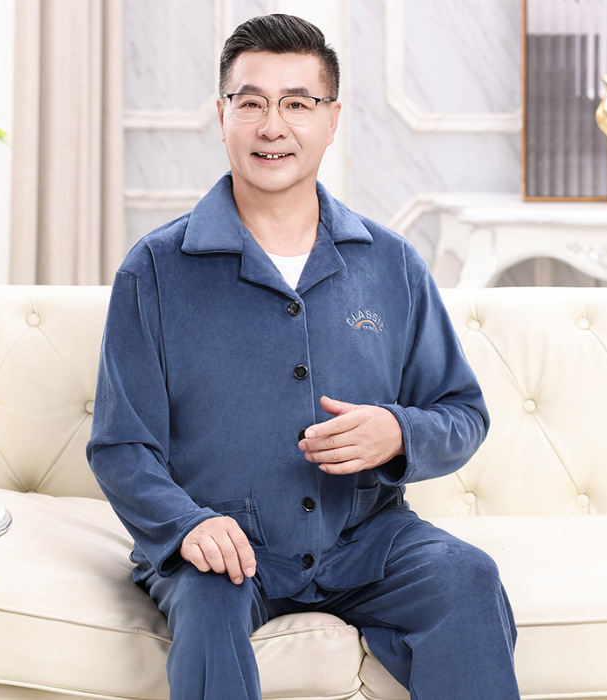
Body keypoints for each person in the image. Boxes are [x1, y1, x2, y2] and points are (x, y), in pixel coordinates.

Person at [87, 13, 520, 700]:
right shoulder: (155, 270)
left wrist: (398, 432)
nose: (272, 126)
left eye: (297, 103)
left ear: (331, 118)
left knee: (468, 578)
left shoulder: (392, 264)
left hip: (368, 540)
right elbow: (120, 446)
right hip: (221, 547)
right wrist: (189, 525)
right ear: (222, 115)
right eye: (251, 103)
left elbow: (462, 412)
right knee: (208, 606)